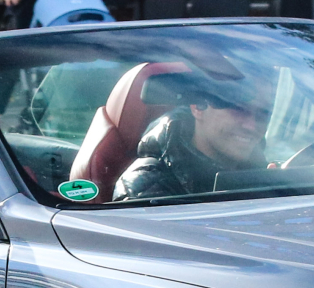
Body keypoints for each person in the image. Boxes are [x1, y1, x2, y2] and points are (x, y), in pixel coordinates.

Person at [115, 75, 276, 200]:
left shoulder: (267, 175)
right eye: (239, 109)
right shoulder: (145, 190)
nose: (252, 126)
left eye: (263, 113)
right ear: (198, 107)